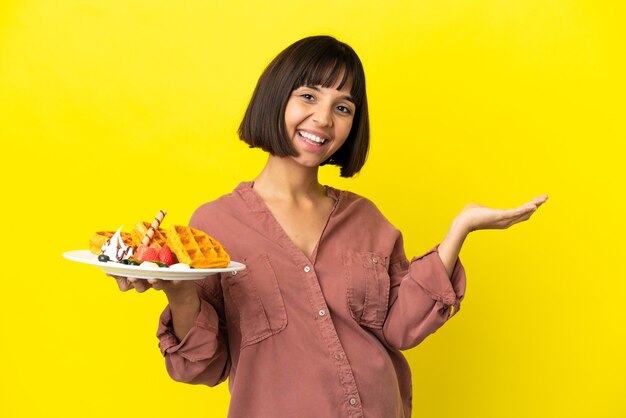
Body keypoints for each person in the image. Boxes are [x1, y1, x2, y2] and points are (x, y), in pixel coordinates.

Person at [113, 36, 548, 418]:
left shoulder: (366, 219)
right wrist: (180, 291)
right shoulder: (215, 225)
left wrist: (460, 229)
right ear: (276, 98)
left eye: (342, 107)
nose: (323, 119)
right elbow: (201, 366)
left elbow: (399, 328)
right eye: (308, 96)